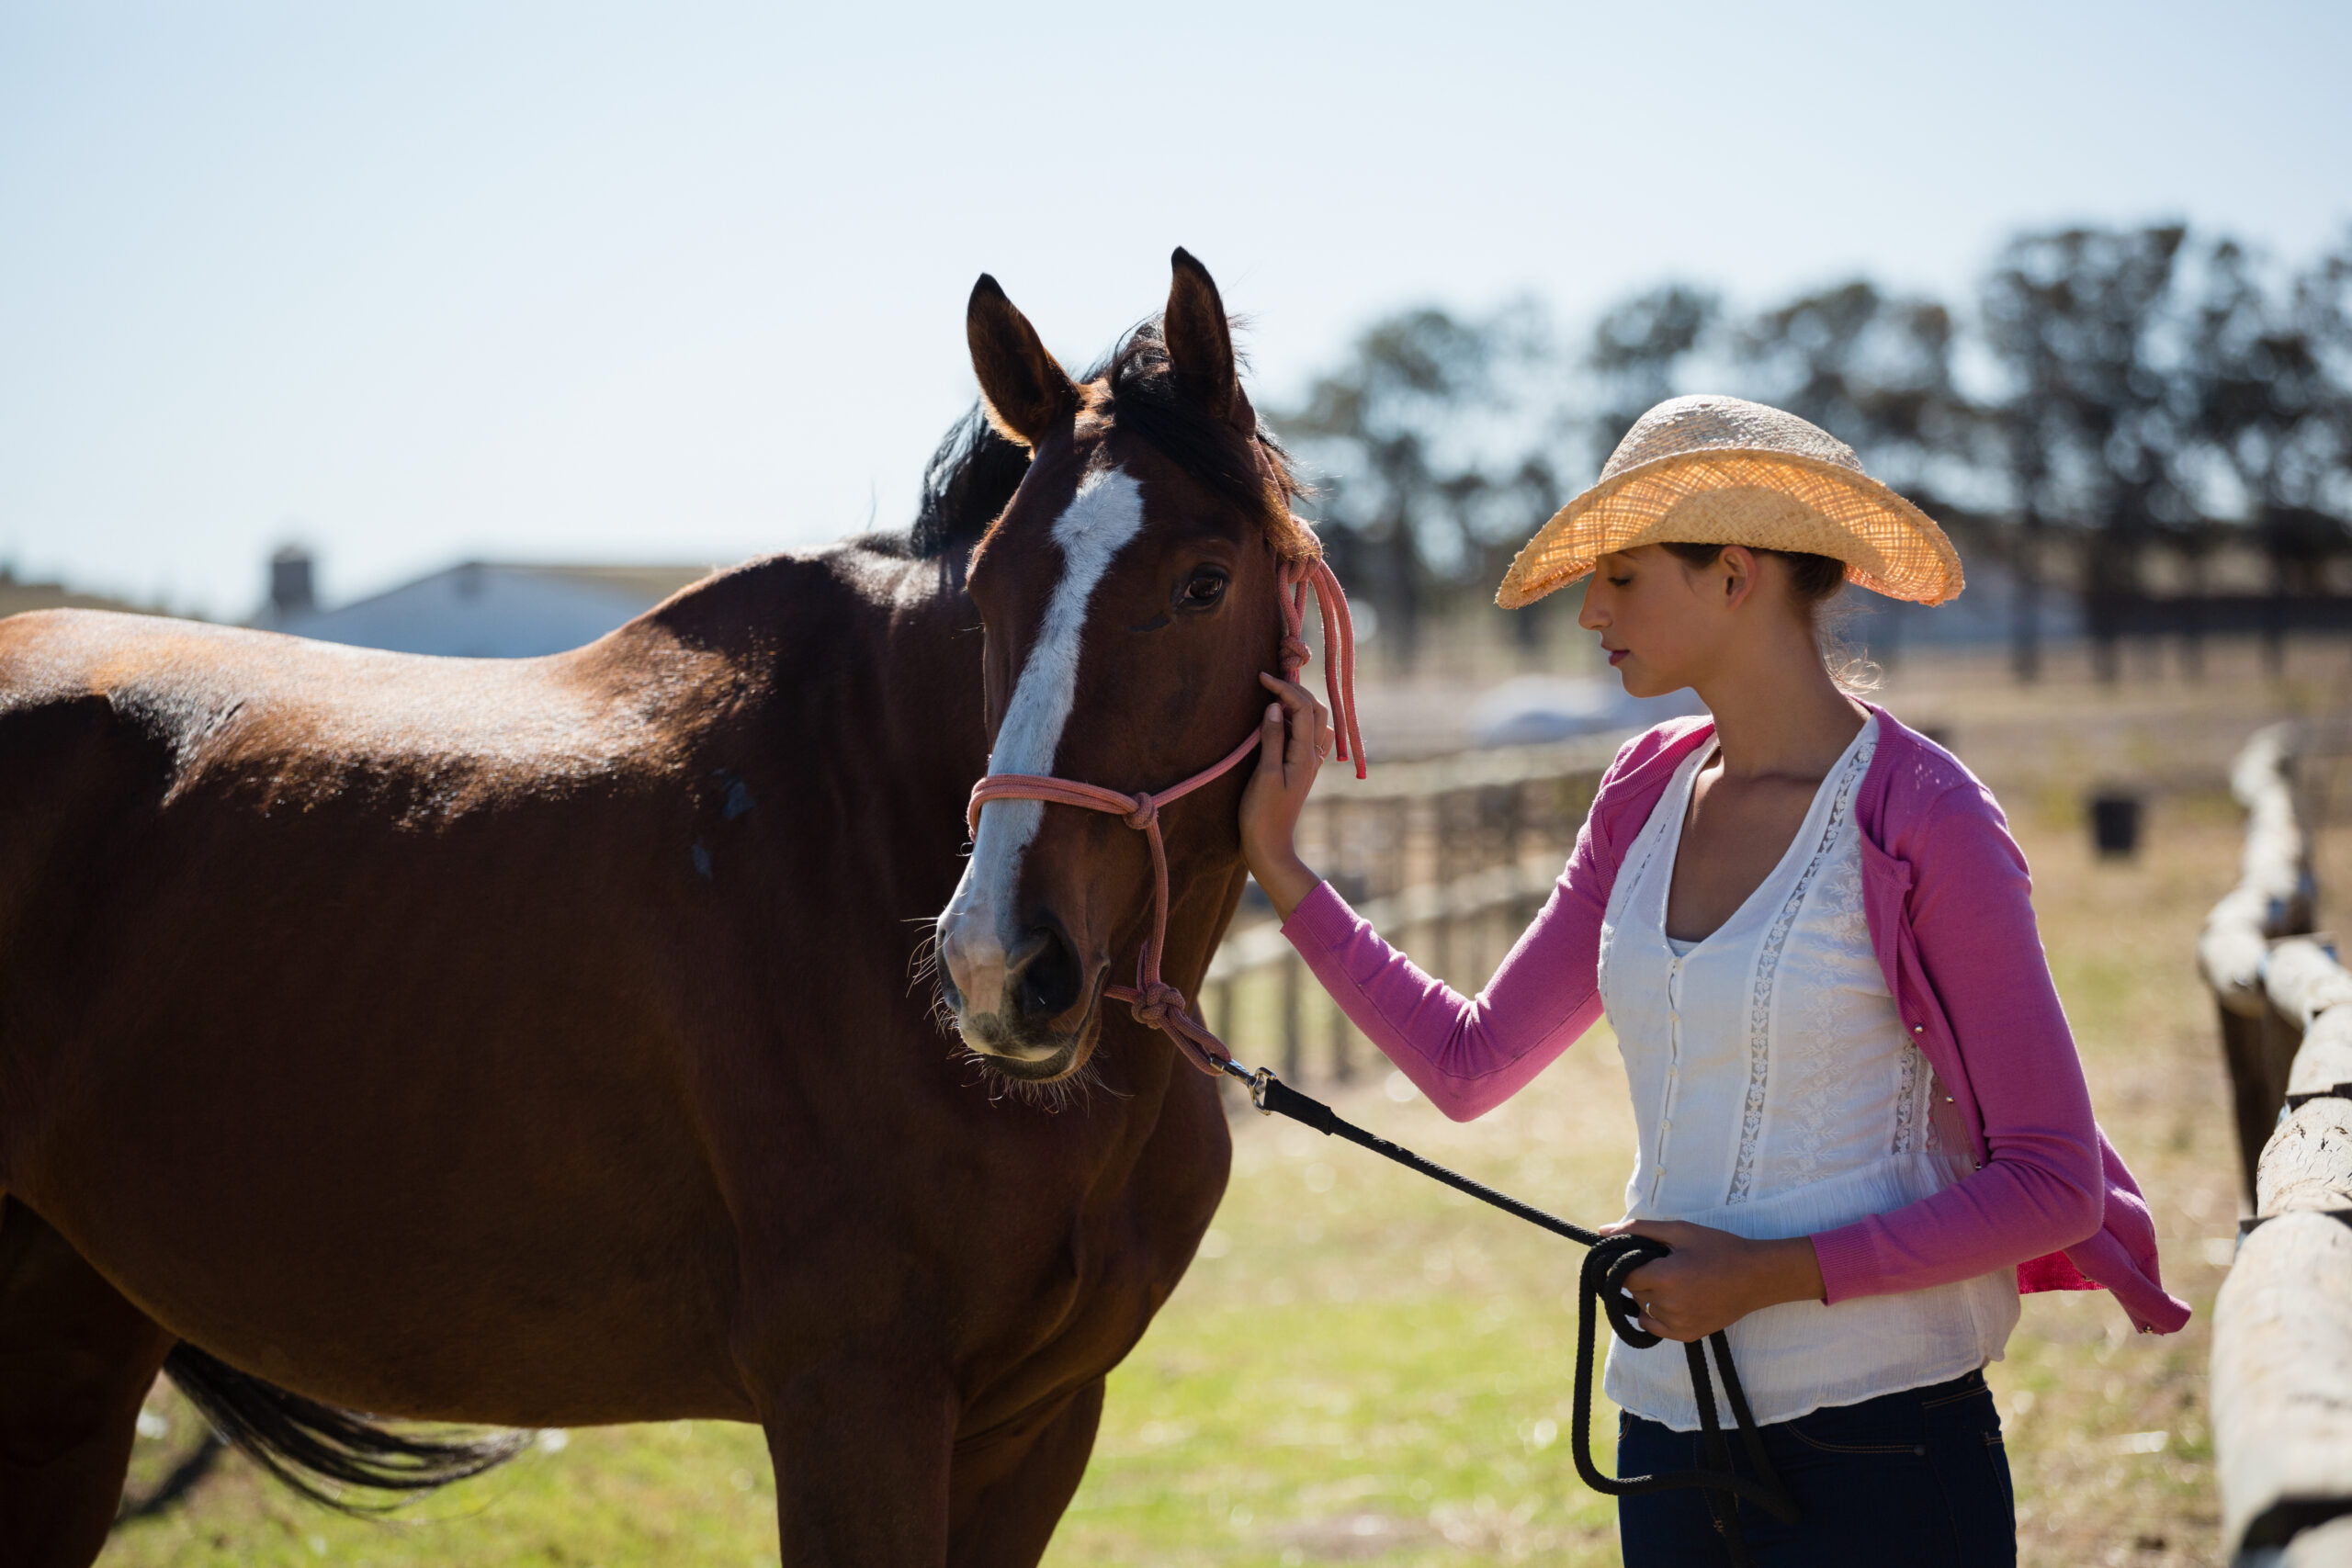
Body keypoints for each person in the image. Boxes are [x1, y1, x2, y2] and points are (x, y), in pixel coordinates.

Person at [1237, 395, 2189, 1567]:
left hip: (1887, 1448)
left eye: (1624, 577)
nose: (1589, 611)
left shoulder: (1925, 817)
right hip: (1667, 1433)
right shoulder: (1640, 791)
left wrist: (1765, 1279)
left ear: (1733, 575)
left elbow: (2053, 1186)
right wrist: (1283, 869)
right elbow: (1470, 1064)